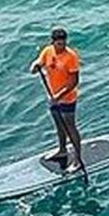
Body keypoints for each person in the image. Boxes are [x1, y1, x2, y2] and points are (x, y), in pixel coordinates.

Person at [29, 26, 84, 171]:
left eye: (64, 43)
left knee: (70, 127)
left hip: (67, 98)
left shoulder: (71, 57)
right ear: (52, 42)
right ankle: (62, 150)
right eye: (59, 43)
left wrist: (59, 96)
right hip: (52, 96)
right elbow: (39, 62)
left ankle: (77, 160)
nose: (62, 46)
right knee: (59, 125)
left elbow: (74, 81)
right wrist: (35, 66)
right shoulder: (48, 51)